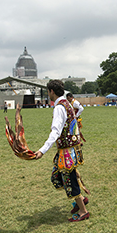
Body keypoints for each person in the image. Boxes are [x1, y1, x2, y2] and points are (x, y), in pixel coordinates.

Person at [34, 80, 90, 222]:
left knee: (70, 180)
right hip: (72, 148)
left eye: (48, 91)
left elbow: (56, 132)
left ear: (51, 91)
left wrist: (42, 150)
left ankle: (83, 211)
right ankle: (82, 200)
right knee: (58, 176)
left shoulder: (59, 107)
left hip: (67, 152)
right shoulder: (67, 103)